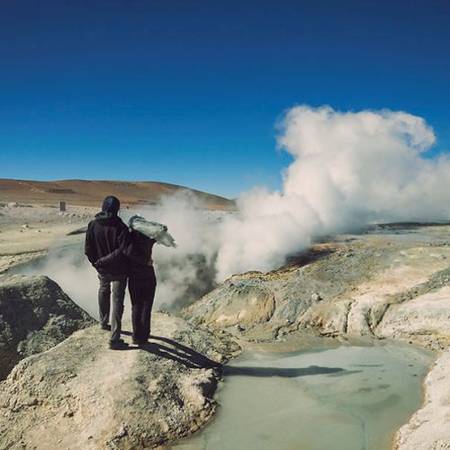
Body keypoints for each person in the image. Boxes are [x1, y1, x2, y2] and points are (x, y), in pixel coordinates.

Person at [85, 195, 130, 350]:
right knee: (118, 301)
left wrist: (97, 263)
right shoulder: (121, 227)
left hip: (102, 269)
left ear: (103, 207)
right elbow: (122, 251)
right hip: (119, 270)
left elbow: (88, 249)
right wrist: (103, 262)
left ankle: (103, 322)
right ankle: (114, 339)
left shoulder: (92, 225)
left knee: (103, 291)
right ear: (117, 209)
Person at [123, 228, 157, 346]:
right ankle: (145, 335)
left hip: (134, 277)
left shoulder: (129, 242)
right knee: (147, 307)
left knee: (136, 306)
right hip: (149, 276)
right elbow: (159, 235)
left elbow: (127, 253)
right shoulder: (148, 240)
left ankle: (136, 336)